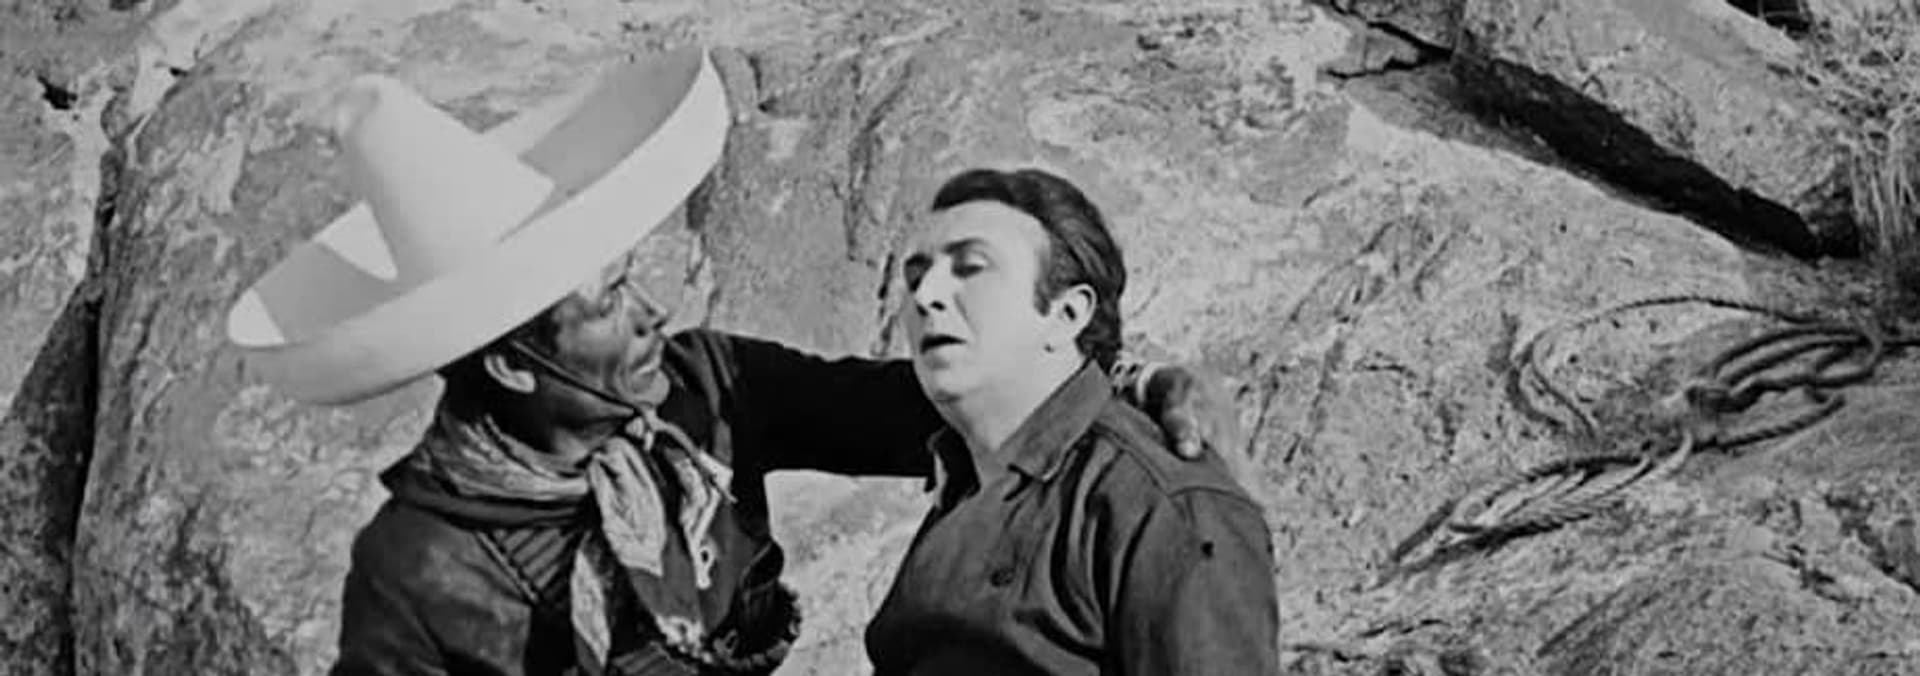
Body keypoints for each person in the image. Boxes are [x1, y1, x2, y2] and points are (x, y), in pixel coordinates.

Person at [223, 49, 1235, 676]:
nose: (652, 314)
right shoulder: (414, 570)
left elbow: (927, 403)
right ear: (518, 368)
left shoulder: (703, 388)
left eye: (631, 280)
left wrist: (1124, 380)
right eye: (607, 305)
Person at [864, 168, 1280, 675]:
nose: (926, 294)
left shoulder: (1159, 505)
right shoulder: (964, 484)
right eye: (914, 277)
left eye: (971, 268)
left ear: (1066, 314)